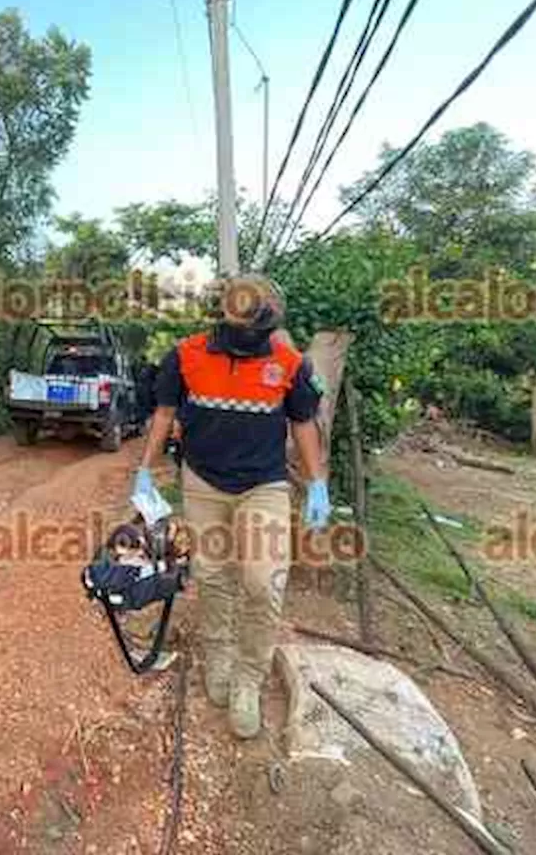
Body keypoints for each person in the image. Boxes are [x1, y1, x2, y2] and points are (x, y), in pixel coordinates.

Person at [131, 274, 330, 738]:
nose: (251, 338)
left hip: (264, 486)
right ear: (224, 314)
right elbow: (163, 415)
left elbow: (303, 424)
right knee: (214, 576)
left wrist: (317, 483)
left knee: (263, 581)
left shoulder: (288, 362)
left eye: (259, 330)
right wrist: (145, 470)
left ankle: (248, 678)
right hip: (203, 483)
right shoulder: (185, 356)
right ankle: (217, 655)